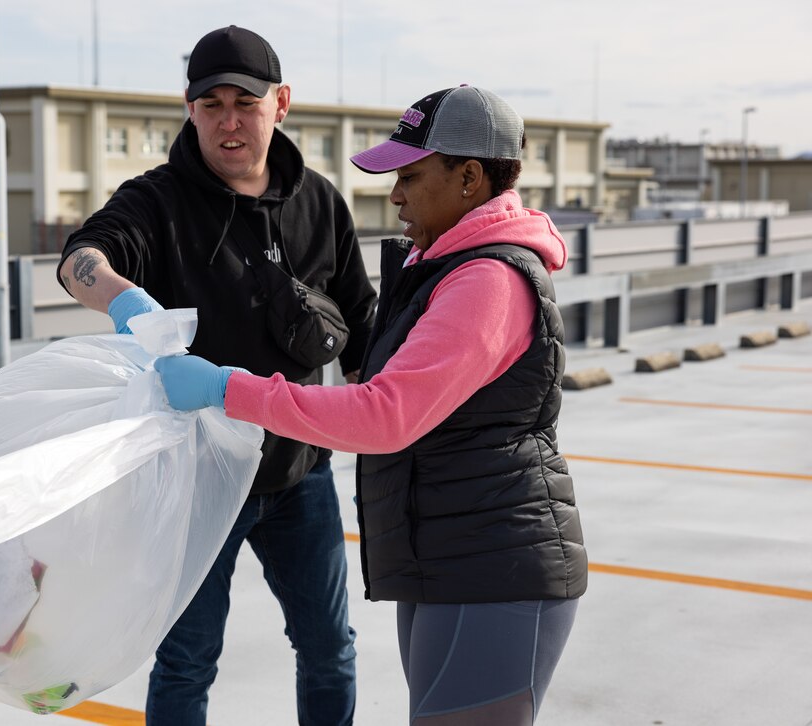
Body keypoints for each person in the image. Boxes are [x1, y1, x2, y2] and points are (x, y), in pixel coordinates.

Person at [155, 84, 588, 726]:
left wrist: (228, 388)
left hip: (496, 568)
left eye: (411, 176)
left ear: (469, 178)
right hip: (452, 558)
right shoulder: (442, 267)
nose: (396, 196)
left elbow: (382, 416)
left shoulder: (487, 280)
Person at [56, 25, 377, 726]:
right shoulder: (158, 200)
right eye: (211, 104)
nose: (229, 121)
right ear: (189, 108)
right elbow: (80, 258)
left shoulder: (320, 202)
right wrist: (121, 295)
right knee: (187, 659)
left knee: (329, 647)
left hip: (300, 472)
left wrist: (383, 421)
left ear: (281, 103)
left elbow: (361, 318)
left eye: (246, 102)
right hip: (194, 484)